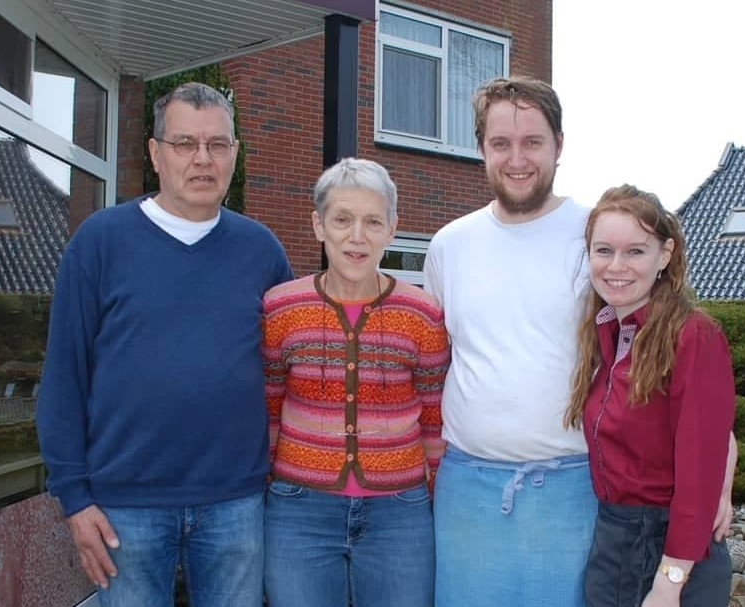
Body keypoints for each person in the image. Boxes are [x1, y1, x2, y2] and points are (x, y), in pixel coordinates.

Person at [423, 76, 737, 607]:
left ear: (560, 145)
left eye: (533, 142)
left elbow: (685, 382)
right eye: (500, 143)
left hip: (572, 493)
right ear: (481, 149)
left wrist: (716, 480)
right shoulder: (449, 245)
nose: (516, 158)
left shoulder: (596, 236)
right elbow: (438, 364)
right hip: (466, 491)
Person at [36, 81, 292, 607]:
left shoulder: (261, 251)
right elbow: (64, 377)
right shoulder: (100, 242)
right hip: (124, 506)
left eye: (218, 144)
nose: (203, 159)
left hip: (235, 503)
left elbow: (289, 371)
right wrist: (73, 498)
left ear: (235, 154)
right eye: (184, 144)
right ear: (155, 153)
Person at [261, 157, 450, 607]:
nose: (357, 236)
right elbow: (268, 409)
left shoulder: (423, 314)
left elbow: (435, 419)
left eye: (372, 221)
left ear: (392, 228)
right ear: (318, 225)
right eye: (342, 220)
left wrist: (435, 497)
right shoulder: (280, 309)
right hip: (298, 509)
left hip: (399, 514)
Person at [566, 185, 735, 607]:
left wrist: (669, 583)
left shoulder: (693, 336)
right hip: (613, 543)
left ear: (665, 254)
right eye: (604, 251)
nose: (616, 266)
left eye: (635, 252)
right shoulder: (606, 332)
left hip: (671, 553)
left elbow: (700, 464)